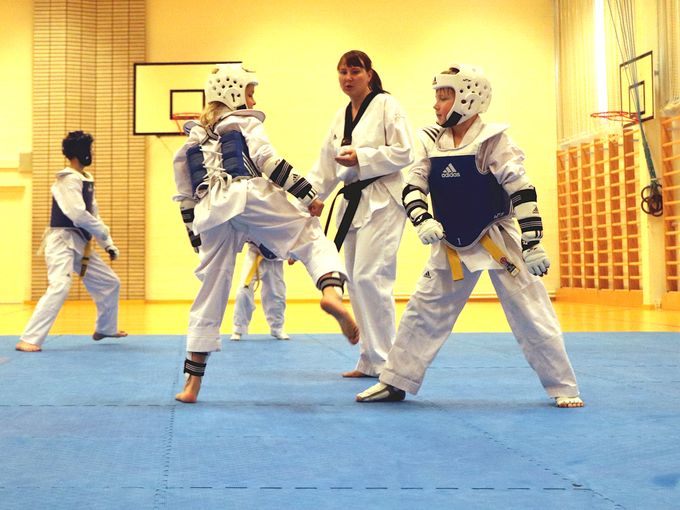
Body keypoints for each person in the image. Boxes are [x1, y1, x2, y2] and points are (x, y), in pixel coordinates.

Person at [356, 64, 584, 408]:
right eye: (436, 97)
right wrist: (422, 219)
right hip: (451, 243)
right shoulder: (431, 139)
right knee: (422, 311)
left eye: (444, 97)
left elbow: (521, 189)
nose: (436, 105)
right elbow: (413, 185)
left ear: (468, 97)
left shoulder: (493, 139)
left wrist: (532, 242)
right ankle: (395, 381)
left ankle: (563, 385)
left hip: (498, 241)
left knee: (531, 312)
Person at [173, 63, 359, 403]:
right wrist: (308, 195)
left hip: (210, 213)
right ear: (233, 93)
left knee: (210, 292)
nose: (253, 98)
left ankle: (192, 384)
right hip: (248, 195)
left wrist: (195, 238)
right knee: (309, 236)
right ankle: (332, 292)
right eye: (249, 91)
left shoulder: (191, 141)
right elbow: (270, 163)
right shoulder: (244, 123)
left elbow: (184, 196)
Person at [305, 50, 414, 378]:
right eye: (342, 72)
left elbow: (405, 151)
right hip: (350, 204)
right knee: (354, 281)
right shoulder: (340, 117)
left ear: (369, 74)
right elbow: (325, 166)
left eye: (354, 71)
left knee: (372, 278)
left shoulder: (386, 105)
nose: (348, 78)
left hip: (384, 199)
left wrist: (363, 157)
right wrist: (308, 197)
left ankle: (386, 363)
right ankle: (369, 358)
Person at [15, 131, 127, 352]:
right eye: (90, 149)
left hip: (79, 242)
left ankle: (105, 328)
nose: (92, 153)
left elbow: (93, 213)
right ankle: (29, 338)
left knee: (110, 282)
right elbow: (78, 214)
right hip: (60, 241)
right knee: (60, 286)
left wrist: (108, 243)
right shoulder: (66, 178)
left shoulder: (86, 178)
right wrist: (102, 232)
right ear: (81, 153)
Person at [230, 242, 289, 341]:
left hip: (276, 257)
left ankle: (277, 328)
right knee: (243, 290)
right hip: (255, 254)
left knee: (277, 294)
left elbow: (292, 233)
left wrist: (294, 254)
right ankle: (238, 328)